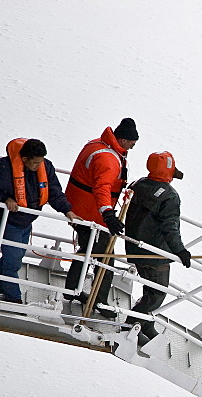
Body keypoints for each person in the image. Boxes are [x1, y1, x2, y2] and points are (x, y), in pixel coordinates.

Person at [0, 138, 80, 303]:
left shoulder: (46, 167)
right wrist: (5, 199)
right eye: (36, 163)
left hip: (27, 222)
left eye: (41, 162)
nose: (39, 165)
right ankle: (13, 298)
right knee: (13, 260)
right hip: (9, 222)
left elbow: (54, 191)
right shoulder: (3, 168)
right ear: (24, 159)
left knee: (15, 255)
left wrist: (67, 210)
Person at [63, 118, 138, 308]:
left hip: (78, 209)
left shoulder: (97, 144)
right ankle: (100, 300)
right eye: (131, 142)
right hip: (91, 214)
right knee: (105, 257)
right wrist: (108, 214)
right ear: (122, 140)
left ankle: (72, 289)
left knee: (87, 249)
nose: (133, 146)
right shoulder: (108, 159)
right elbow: (102, 188)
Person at [122, 151, 193, 345]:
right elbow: (170, 227)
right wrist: (180, 251)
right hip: (155, 254)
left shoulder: (138, 185)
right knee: (156, 293)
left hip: (135, 247)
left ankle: (144, 323)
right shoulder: (169, 196)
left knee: (149, 289)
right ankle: (130, 325)